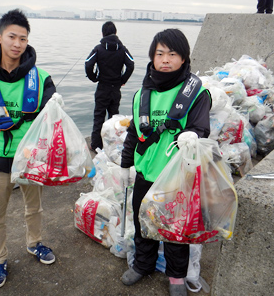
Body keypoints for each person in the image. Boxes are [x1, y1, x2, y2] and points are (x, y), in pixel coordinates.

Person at [0, 9, 56, 289]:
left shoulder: (41, 78)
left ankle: (34, 243)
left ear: (28, 42)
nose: (17, 44)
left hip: (29, 157)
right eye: (12, 37)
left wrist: (56, 107)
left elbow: (52, 122)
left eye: (23, 39)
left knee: (34, 207)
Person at [119, 29, 212, 296]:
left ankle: (176, 276)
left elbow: (201, 128)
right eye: (160, 54)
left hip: (176, 177)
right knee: (143, 223)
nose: (166, 60)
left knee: (174, 230)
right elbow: (132, 135)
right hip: (145, 174)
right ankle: (143, 265)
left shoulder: (196, 93)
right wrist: (125, 166)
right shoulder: (141, 95)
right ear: (152, 57)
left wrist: (194, 133)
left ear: (183, 59)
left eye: (173, 54)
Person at [85, 21, 134, 152]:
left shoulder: (99, 48)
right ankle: (112, 145)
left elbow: (88, 64)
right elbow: (131, 64)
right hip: (115, 88)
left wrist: (93, 77)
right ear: (115, 32)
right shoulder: (122, 49)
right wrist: (123, 80)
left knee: (99, 117)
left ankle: (96, 145)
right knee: (114, 119)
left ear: (102, 33)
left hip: (102, 87)